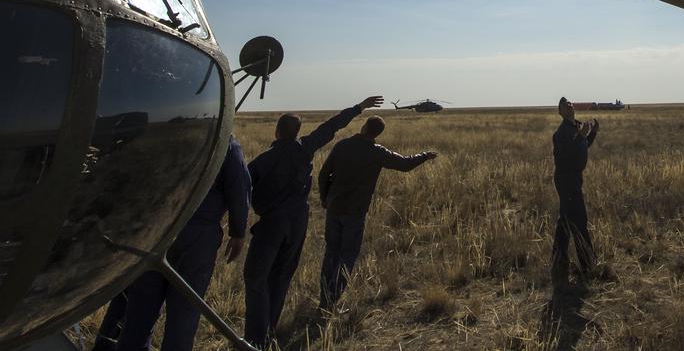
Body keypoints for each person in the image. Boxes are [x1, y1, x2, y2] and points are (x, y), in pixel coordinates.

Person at [242, 96, 381, 348]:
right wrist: (359, 107)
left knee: (255, 276)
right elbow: (331, 126)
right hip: (298, 222)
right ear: (297, 132)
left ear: (277, 131)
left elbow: (240, 187)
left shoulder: (264, 160)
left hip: (272, 223)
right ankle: (268, 330)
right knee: (282, 275)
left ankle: (254, 338)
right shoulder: (305, 147)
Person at [93, 136, 250, 351]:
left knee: (140, 309)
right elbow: (239, 191)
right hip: (196, 239)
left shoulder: (176, 138)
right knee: (184, 313)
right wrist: (238, 233)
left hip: (157, 231)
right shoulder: (228, 147)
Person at [316, 115, 437, 308]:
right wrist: (424, 155)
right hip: (355, 212)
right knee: (347, 255)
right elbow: (405, 164)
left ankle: (325, 298)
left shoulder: (342, 146)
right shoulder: (377, 152)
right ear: (377, 134)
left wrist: (324, 197)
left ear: (364, 127)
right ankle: (331, 300)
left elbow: (324, 173)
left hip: (334, 207)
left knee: (331, 252)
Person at [551, 97, 598, 285]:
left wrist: (592, 133)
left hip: (574, 179)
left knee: (565, 221)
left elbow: (582, 147)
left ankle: (558, 262)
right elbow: (564, 157)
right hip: (566, 180)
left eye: (569, 103)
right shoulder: (561, 133)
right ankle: (588, 264)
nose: (569, 105)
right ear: (560, 112)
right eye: (564, 105)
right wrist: (581, 136)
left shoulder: (576, 127)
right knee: (579, 220)